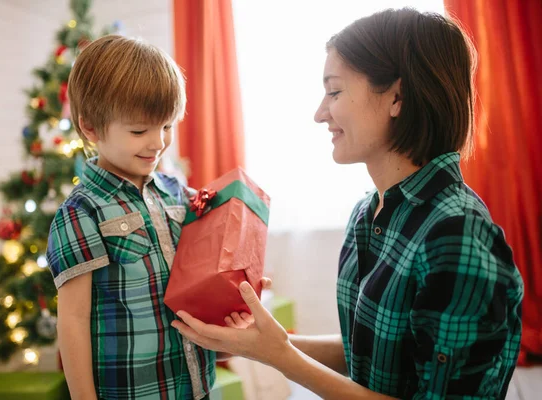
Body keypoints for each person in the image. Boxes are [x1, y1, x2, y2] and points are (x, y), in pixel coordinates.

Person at [172, 8, 524, 399]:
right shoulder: (368, 214)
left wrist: (283, 358)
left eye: (335, 91)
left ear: (397, 97)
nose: (320, 113)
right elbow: (371, 353)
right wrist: (260, 343)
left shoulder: (457, 234)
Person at [46, 35, 217, 400]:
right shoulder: (81, 212)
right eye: (140, 130)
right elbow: (73, 322)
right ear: (90, 128)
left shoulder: (176, 191)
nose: (158, 142)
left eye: (167, 126)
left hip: (196, 384)